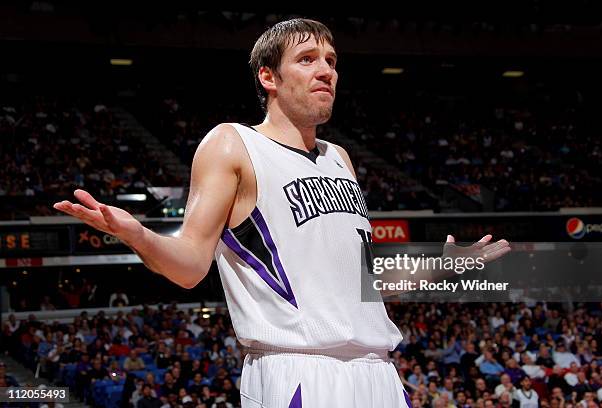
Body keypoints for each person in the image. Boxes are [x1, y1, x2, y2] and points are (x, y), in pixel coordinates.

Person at [53, 18, 509, 408]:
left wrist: (444, 266)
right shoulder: (232, 143)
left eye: (331, 61)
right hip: (299, 371)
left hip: (379, 373)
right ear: (268, 77)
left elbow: (367, 281)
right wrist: (139, 235)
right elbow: (191, 265)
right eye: (307, 59)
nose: (326, 70)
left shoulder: (339, 157)